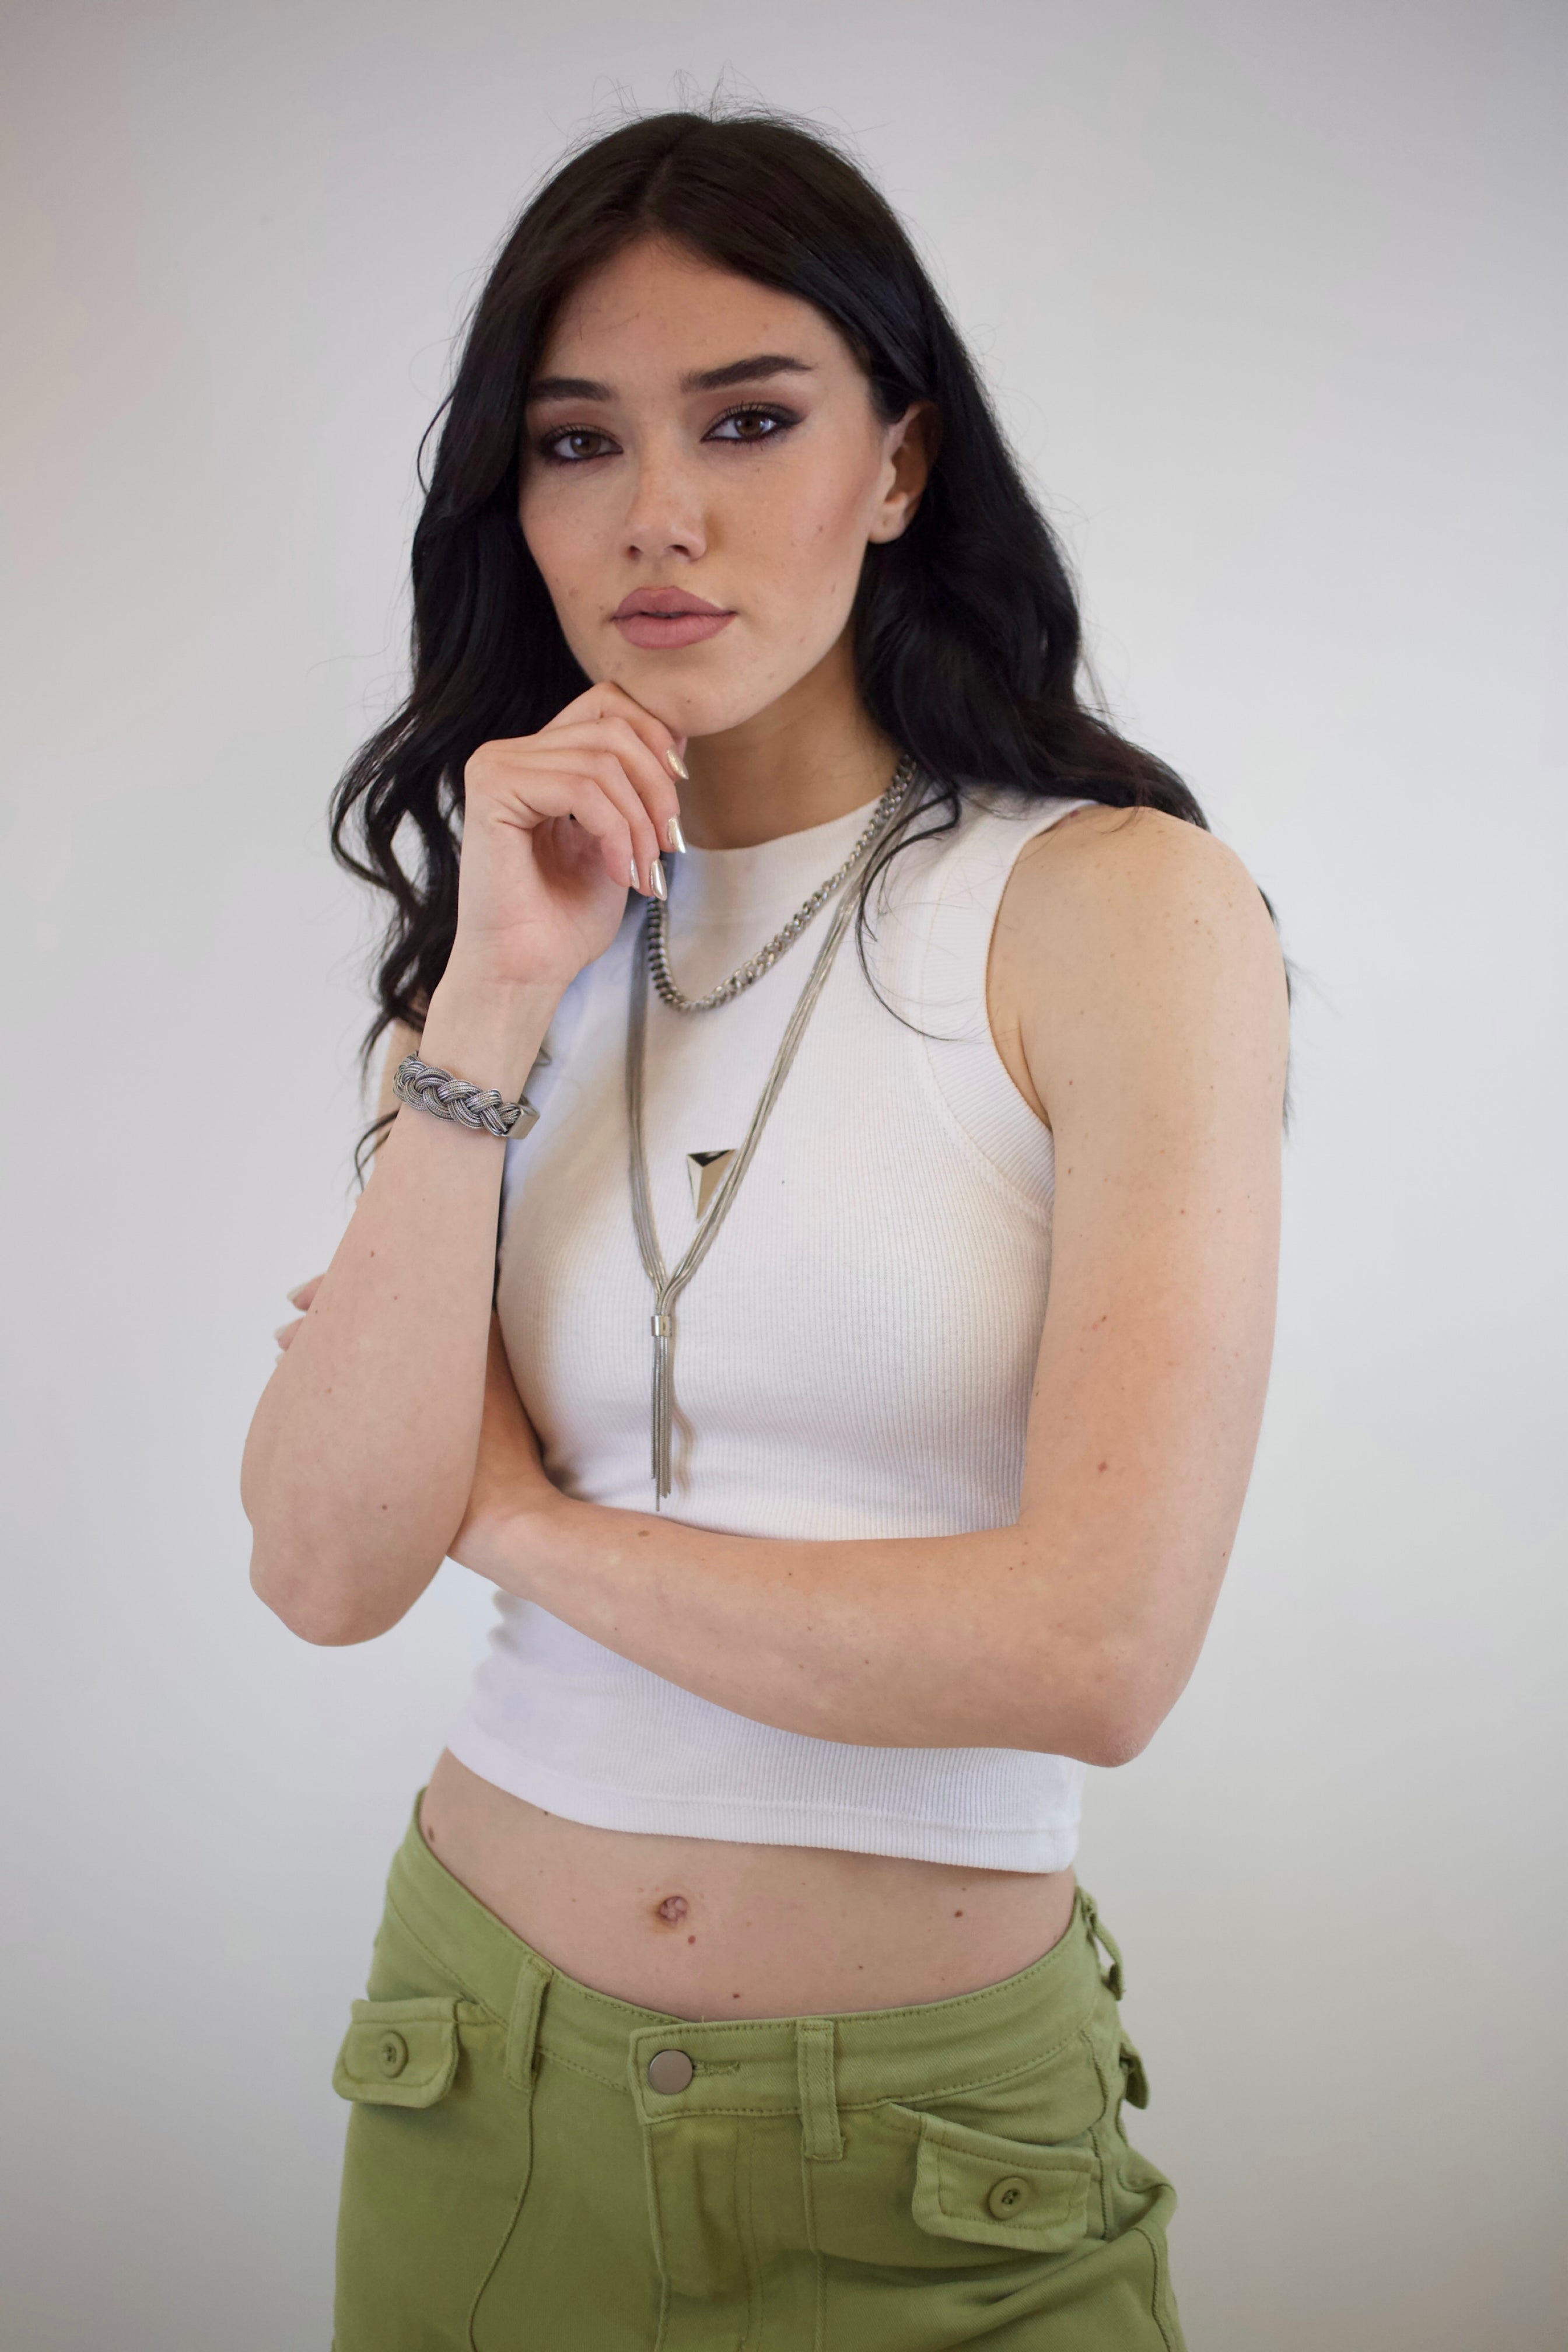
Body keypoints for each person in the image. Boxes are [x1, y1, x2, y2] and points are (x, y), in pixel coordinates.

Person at [242, 106, 1287, 2351]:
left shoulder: (1115, 911)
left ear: (899, 462)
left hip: (936, 2161)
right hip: (471, 2081)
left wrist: (515, 1523)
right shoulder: (497, 956)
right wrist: (490, 994)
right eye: (577, 442)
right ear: (516, 504)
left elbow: (1097, 1651)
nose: (659, 513)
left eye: (747, 419)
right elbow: (324, 1566)